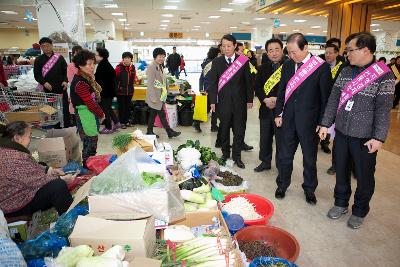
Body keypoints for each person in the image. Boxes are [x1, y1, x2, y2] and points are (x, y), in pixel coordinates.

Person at [319, 32, 395, 229]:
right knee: (341, 171)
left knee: (364, 176)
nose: (347, 54)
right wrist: (325, 124)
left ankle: (360, 210)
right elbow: (333, 99)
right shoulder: (345, 71)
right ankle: (340, 203)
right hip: (342, 133)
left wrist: (379, 137)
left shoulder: (384, 75)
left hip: (366, 138)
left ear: (366, 50)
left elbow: (383, 110)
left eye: (351, 50)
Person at [274, 33, 333, 204]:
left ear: (305, 47)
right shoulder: (287, 65)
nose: (291, 56)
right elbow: (282, 91)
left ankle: (309, 189)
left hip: (310, 123)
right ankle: (282, 185)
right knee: (284, 156)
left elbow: (325, 98)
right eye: (289, 52)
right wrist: (279, 113)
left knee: (309, 159)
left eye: (294, 52)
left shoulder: (321, 67)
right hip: (288, 120)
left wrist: (323, 123)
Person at [0, 121, 73, 218]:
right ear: (17, 138)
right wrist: (61, 178)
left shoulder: (6, 149)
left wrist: (49, 170)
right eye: (29, 136)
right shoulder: (14, 157)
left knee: (42, 165)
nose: (30, 140)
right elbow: (37, 181)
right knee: (58, 186)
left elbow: (31, 168)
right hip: (14, 204)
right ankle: (70, 221)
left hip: (12, 196)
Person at [208, 34, 253, 169]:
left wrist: (250, 99)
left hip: (240, 102)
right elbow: (213, 83)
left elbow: (248, 82)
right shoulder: (216, 62)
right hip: (223, 103)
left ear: (234, 46)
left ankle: (237, 156)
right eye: (223, 46)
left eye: (229, 46)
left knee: (239, 130)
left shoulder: (243, 61)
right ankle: (225, 154)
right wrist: (212, 101)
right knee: (224, 129)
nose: (226, 49)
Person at [254, 38, 287, 172]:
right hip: (266, 108)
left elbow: (291, 88)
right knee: (265, 138)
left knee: (281, 140)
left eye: (276, 49)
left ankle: (281, 165)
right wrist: (265, 99)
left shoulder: (290, 66)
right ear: (267, 53)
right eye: (270, 51)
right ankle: (265, 162)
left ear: (282, 50)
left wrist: (278, 99)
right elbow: (257, 86)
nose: (274, 53)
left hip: (283, 110)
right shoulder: (262, 68)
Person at [70, 50, 104, 168]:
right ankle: (87, 167)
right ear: (80, 65)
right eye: (89, 64)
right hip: (85, 115)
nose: (92, 66)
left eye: (93, 63)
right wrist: (101, 114)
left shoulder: (86, 78)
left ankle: (90, 164)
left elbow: (97, 91)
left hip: (89, 114)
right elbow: (90, 103)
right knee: (89, 143)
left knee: (91, 141)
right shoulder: (80, 82)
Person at [34, 37, 70, 128]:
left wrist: (65, 81)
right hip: (48, 90)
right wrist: (44, 82)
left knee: (65, 110)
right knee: (52, 111)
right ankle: (56, 129)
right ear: (41, 47)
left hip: (61, 89)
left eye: (48, 46)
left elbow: (65, 71)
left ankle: (67, 129)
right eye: (43, 46)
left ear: (52, 46)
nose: (46, 48)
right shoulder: (38, 60)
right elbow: (37, 75)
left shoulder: (59, 58)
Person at [146, 48, 181, 139]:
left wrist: (167, 90)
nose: (161, 58)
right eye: (160, 56)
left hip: (160, 95)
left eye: (163, 57)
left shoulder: (160, 66)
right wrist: (153, 98)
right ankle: (168, 132)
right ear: (155, 57)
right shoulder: (151, 67)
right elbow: (150, 83)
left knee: (157, 114)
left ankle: (152, 131)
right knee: (158, 114)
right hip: (155, 96)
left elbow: (163, 80)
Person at [320, 44, 345, 155]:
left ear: (336, 54)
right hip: (320, 99)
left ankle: (325, 143)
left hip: (334, 100)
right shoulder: (320, 65)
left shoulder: (343, 67)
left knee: (330, 122)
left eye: (330, 53)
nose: (328, 55)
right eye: (326, 53)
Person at [95, 47, 121, 134]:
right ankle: (117, 123)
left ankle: (108, 127)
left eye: (96, 55)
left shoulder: (103, 66)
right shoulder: (105, 64)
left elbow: (99, 80)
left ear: (101, 56)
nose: (95, 57)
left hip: (105, 92)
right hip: (109, 91)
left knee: (105, 110)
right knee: (108, 108)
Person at [195, 47, 220, 133]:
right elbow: (213, 78)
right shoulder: (214, 63)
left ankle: (209, 125)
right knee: (211, 107)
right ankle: (210, 125)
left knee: (208, 107)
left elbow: (201, 77)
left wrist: (201, 88)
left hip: (206, 88)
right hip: (212, 89)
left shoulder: (206, 63)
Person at [115, 52, 135, 129]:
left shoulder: (132, 68)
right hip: (121, 92)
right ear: (123, 59)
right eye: (125, 58)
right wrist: (117, 88)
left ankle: (126, 121)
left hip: (129, 91)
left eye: (129, 58)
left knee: (128, 107)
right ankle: (121, 122)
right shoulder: (118, 68)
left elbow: (133, 79)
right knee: (121, 107)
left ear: (131, 59)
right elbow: (114, 79)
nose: (127, 60)